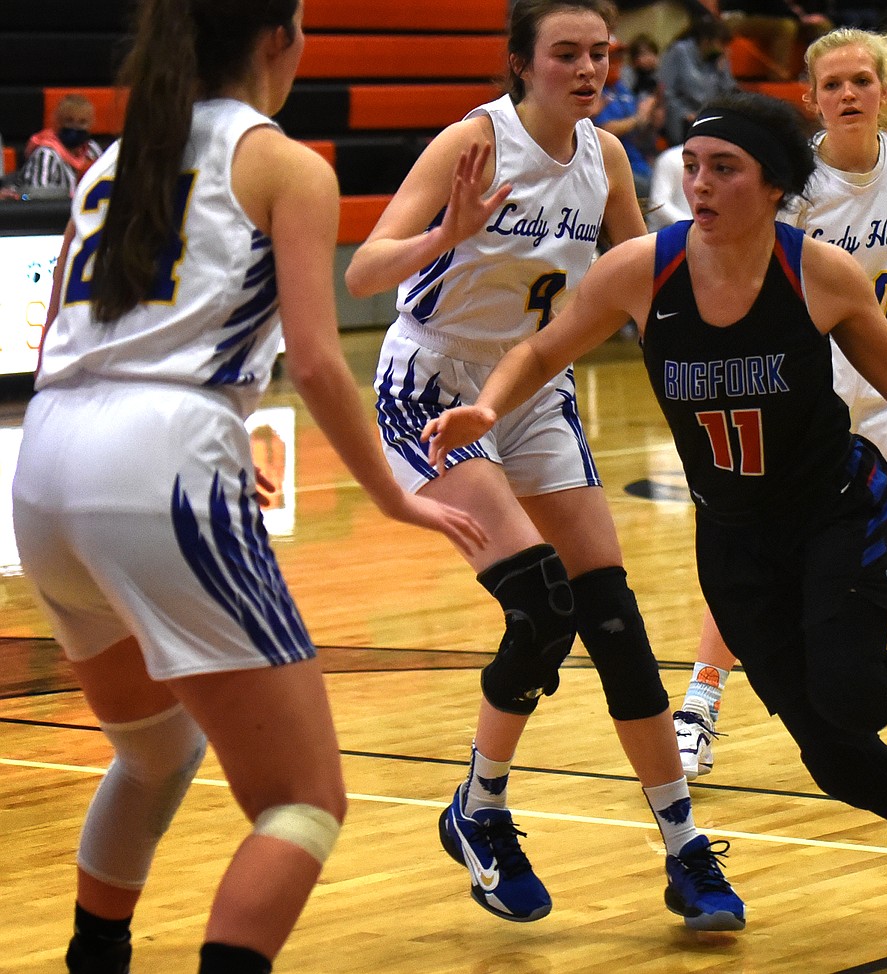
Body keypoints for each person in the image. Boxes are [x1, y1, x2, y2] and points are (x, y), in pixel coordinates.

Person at [421, 88, 887, 968]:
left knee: (849, 688)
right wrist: (489, 406)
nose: (698, 184)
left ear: (774, 185)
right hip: (734, 544)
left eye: (723, 169)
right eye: (692, 167)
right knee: (839, 760)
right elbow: (544, 349)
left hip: (835, 516)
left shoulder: (818, 274)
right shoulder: (641, 270)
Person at [10, 1, 488, 973]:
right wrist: (396, 495)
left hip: (46, 458)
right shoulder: (285, 163)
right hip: (163, 455)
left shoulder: (110, 161)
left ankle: (94, 953)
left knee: (154, 750)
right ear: (280, 38)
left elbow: (57, 322)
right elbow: (317, 361)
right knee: (304, 798)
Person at [344, 0, 745, 932]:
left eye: (601, 53)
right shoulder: (470, 142)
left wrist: (713, 367)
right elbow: (365, 272)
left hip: (535, 390)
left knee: (611, 616)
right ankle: (480, 810)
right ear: (521, 62)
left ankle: (684, 849)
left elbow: (645, 281)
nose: (589, 67)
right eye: (567, 52)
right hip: (435, 388)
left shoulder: (604, 157)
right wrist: (448, 232)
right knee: (540, 605)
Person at [675, 27, 887, 784]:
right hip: (806, 386)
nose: (849, 94)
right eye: (834, 84)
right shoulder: (795, 181)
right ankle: (698, 702)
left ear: (884, 91)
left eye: (862, 81)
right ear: (812, 99)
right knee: (760, 556)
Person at [593, 35, 660, 197]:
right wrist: (638, 118)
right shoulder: (593, 89)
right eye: (612, 56)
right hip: (611, 167)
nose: (618, 61)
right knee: (654, 190)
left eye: (619, 56)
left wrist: (652, 119)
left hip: (638, 160)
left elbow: (640, 128)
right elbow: (605, 131)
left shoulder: (621, 88)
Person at [658, 16, 739, 144]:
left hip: (709, 115)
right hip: (683, 118)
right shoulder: (679, 52)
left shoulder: (719, 59)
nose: (724, 50)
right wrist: (684, 113)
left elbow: (729, 95)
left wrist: (723, 72)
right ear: (706, 41)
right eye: (721, 44)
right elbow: (666, 92)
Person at [17, 93, 103, 198]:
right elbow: (37, 198)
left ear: (90, 124)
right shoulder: (46, 154)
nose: (75, 127)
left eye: (82, 122)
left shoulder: (93, 150)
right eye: (69, 120)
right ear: (58, 122)